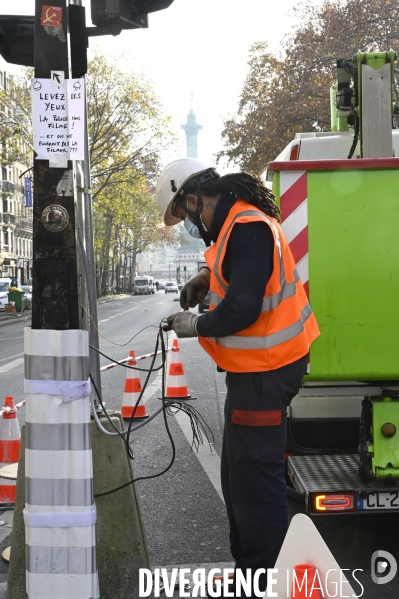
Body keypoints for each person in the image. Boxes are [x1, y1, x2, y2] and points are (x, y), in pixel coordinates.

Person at [156, 158, 320, 598]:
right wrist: (206, 277)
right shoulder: (238, 224)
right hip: (257, 373)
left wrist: (197, 325)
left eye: (186, 216)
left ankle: (267, 582)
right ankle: (251, 570)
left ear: (194, 200)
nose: (190, 225)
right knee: (237, 477)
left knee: (254, 487)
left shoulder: (246, 225)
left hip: (265, 374)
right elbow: (244, 275)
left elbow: (244, 308)